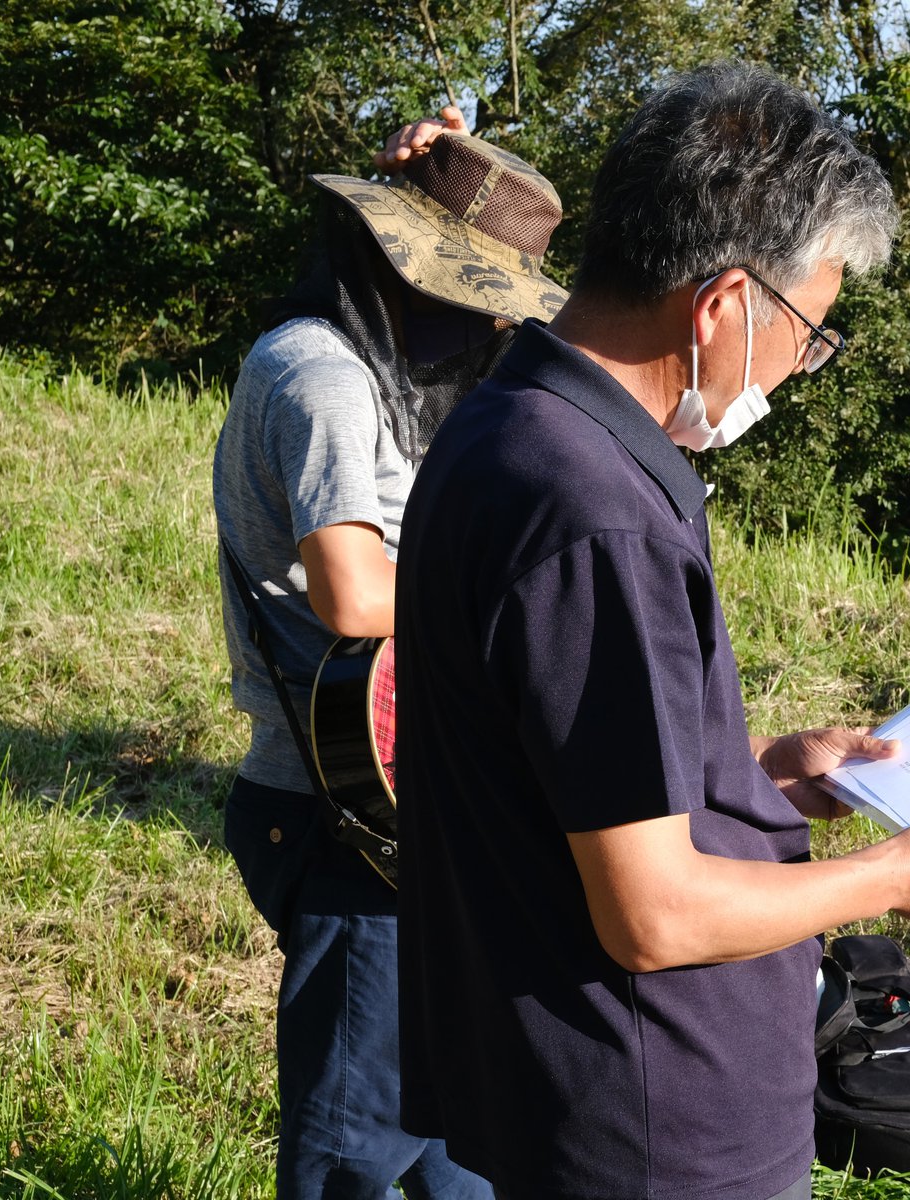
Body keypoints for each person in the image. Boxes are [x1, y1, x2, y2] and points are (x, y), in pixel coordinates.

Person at [392, 63, 910, 1200]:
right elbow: (654, 910)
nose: (801, 368)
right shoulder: (592, 512)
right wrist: (892, 874)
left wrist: (763, 777)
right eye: (810, 334)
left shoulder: (509, 426)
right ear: (725, 303)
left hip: (572, 1087)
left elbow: (565, 785)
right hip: (654, 1122)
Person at [212, 127, 567, 1197]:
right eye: (471, 291)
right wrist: (523, 607)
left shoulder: (393, 376)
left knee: (463, 1143)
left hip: (415, 803)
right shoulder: (319, 373)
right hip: (339, 815)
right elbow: (354, 594)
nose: (489, 319)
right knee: (355, 1152)